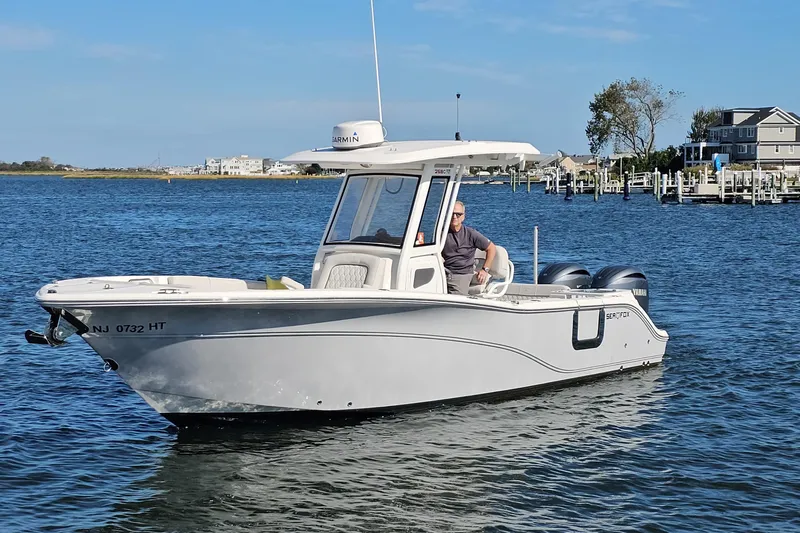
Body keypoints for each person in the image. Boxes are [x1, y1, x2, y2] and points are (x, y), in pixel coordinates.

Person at [441, 200, 496, 295]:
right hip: (442, 271)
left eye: (458, 214)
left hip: (461, 274)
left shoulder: (471, 234)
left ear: (463, 216)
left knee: (455, 301)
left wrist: (484, 270)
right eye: (452, 213)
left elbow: (491, 248)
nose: (454, 217)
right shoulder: (440, 234)